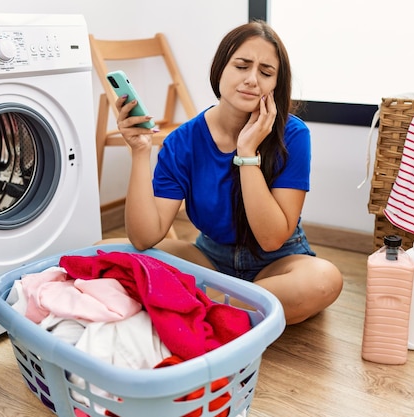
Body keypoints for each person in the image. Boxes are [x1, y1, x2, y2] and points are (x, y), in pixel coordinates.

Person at [99, 20, 343, 325]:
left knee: (323, 280)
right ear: (221, 69)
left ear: (275, 86)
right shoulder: (182, 141)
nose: (252, 80)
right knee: (106, 250)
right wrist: (139, 152)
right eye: (241, 66)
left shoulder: (292, 134)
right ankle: (237, 310)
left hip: (277, 263)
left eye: (266, 73)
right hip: (210, 260)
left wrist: (247, 153)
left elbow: (271, 239)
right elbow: (144, 236)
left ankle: (200, 306)